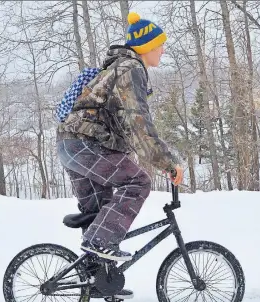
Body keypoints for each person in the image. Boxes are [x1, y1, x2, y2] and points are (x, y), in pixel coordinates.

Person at [56, 12, 183, 268]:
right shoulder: (131, 69)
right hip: (87, 145)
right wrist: (168, 163)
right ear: (146, 46)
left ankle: (100, 279)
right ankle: (99, 244)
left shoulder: (117, 68)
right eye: (160, 44)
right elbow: (139, 124)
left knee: (100, 213)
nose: (163, 50)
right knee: (138, 181)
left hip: (70, 145)